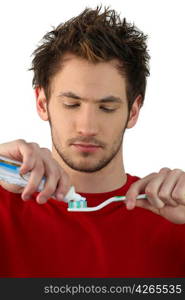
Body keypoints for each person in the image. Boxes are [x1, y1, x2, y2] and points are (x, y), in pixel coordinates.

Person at [0, 6, 185, 278]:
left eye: (106, 108)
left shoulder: (175, 214)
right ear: (42, 103)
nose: (87, 127)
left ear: (133, 111)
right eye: (72, 104)